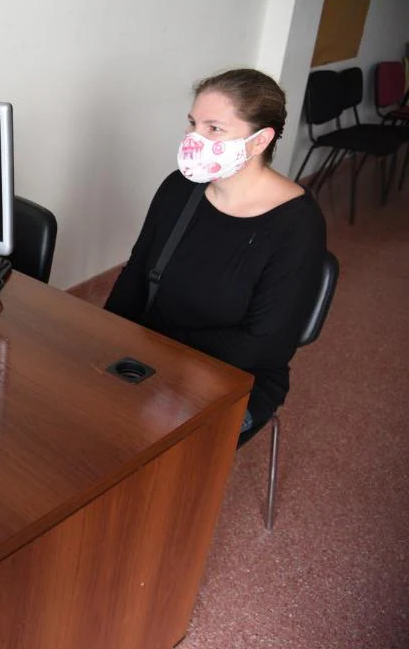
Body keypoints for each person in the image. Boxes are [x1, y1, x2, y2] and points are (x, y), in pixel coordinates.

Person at [105, 68, 327, 434]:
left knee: (147, 441)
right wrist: (102, 340)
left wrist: (159, 352)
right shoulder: (179, 188)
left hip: (236, 374)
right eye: (193, 124)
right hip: (150, 352)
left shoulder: (297, 226)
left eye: (214, 129)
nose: (194, 139)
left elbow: (262, 345)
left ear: (259, 141)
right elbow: (136, 273)